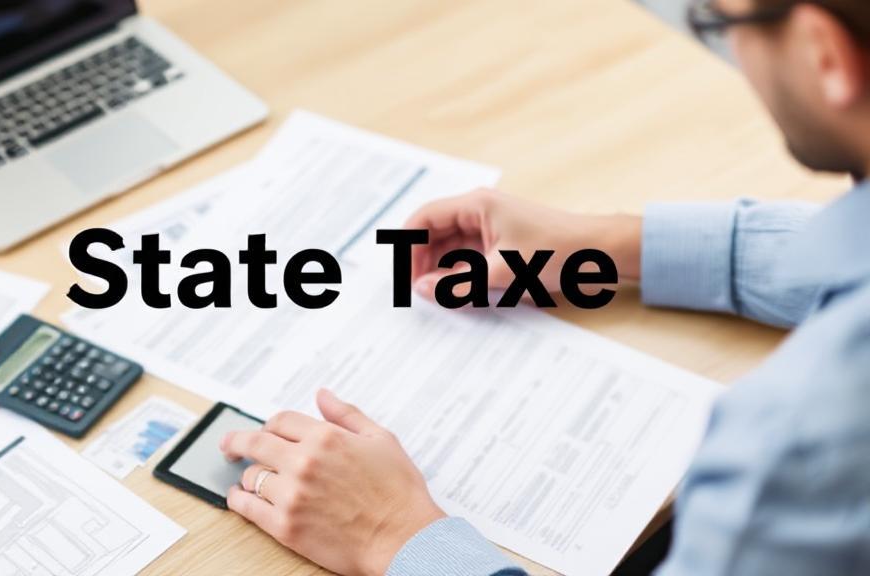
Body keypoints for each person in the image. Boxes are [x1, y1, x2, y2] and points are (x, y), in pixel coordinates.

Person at [219, 0, 870, 574]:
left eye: (716, 20)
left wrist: (388, 536)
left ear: (826, 54)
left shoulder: (802, 439)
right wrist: (610, 243)